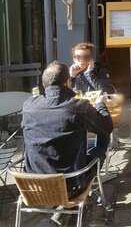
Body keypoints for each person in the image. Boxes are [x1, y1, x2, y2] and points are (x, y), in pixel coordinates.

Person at [22, 61, 113, 198]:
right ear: (67, 83)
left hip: (33, 185)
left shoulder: (29, 105)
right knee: (103, 135)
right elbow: (107, 126)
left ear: (44, 84)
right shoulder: (77, 106)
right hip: (71, 183)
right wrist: (100, 104)